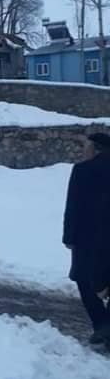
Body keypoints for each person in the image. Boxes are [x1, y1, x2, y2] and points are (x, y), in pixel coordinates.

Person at [63, 131, 110, 344]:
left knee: (83, 279)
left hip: (88, 238)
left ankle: (102, 324)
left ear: (96, 149)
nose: (83, 152)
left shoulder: (83, 170)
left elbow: (73, 206)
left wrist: (69, 237)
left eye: (86, 147)